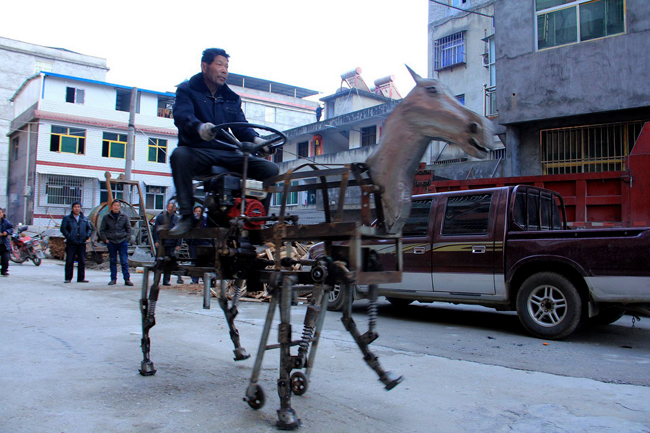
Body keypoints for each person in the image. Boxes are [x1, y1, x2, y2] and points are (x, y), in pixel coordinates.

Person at [169, 47, 279, 235]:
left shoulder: (231, 98)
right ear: (205, 66)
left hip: (226, 152)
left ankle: (256, 219)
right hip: (199, 151)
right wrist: (199, 127)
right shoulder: (186, 90)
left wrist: (257, 140)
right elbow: (182, 116)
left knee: (270, 169)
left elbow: (240, 126)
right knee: (179, 156)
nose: (224, 70)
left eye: (226, 66)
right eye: (219, 64)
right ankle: (186, 215)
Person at [100, 200, 134, 286]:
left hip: (122, 242)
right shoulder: (106, 217)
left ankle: (127, 279)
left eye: (118, 206)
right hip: (111, 242)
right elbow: (102, 230)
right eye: (114, 205)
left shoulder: (124, 217)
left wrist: (127, 239)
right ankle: (113, 279)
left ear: (120, 207)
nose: (116, 207)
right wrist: (106, 240)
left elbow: (129, 229)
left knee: (124, 261)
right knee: (113, 261)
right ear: (111, 207)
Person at [60, 201, 92, 283]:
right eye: (75, 207)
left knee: (81, 260)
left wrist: (86, 236)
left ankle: (81, 278)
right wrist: (69, 236)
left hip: (81, 242)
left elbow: (89, 229)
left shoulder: (84, 218)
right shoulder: (67, 218)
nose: (77, 209)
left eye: (78, 207)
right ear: (72, 208)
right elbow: (63, 229)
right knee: (70, 260)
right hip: (71, 243)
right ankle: (68, 278)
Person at [153, 201, 182, 286]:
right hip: (161, 243)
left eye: (172, 207)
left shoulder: (177, 219)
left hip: (172, 243)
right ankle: (156, 280)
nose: (170, 209)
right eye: (169, 207)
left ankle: (166, 280)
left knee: (169, 262)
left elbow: (180, 233)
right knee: (158, 261)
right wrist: (156, 241)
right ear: (167, 208)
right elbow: (155, 231)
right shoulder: (161, 217)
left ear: (175, 209)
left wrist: (178, 244)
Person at [187, 205, 209, 284]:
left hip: (204, 243)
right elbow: (187, 232)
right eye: (196, 211)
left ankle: (205, 279)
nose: (198, 213)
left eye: (199, 211)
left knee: (204, 261)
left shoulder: (206, 220)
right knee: (194, 261)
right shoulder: (191, 221)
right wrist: (189, 241)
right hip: (194, 243)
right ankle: (195, 279)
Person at [0, 208, 14, 277]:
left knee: (5, 258)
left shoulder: (6, 222)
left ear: (2, 214)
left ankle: (4, 271)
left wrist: (7, 232)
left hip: (4, 243)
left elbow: (11, 228)